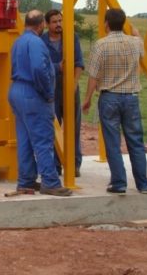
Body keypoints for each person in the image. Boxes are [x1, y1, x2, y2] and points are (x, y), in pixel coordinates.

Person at [82, 8, 147, 194]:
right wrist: (135, 33)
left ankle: (119, 182)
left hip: (109, 96)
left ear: (106, 23)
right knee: (135, 141)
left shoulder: (101, 45)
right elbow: (140, 46)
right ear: (123, 23)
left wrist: (87, 98)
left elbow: (93, 76)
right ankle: (143, 184)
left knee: (112, 142)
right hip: (131, 97)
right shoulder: (136, 43)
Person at [8, 10, 72, 197]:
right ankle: (50, 182)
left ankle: (26, 181)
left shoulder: (19, 42)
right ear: (41, 25)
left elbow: (26, 66)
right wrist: (47, 92)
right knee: (43, 140)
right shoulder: (37, 42)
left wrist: (52, 67)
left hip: (17, 91)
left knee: (26, 140)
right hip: (33, 94)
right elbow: (37, 68)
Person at [41, 9, 85, 177]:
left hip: (70, 88)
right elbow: (42, 66)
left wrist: (73, 85)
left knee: (73, 127)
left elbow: (78, 63)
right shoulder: (42, 41)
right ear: (47, 24)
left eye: (60, 21)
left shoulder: (71, 38)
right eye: (54, 22)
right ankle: (56, 164)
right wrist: (57, 66)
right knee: (53, 127)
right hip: (51, 89)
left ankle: (74, 164)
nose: (58, 24)